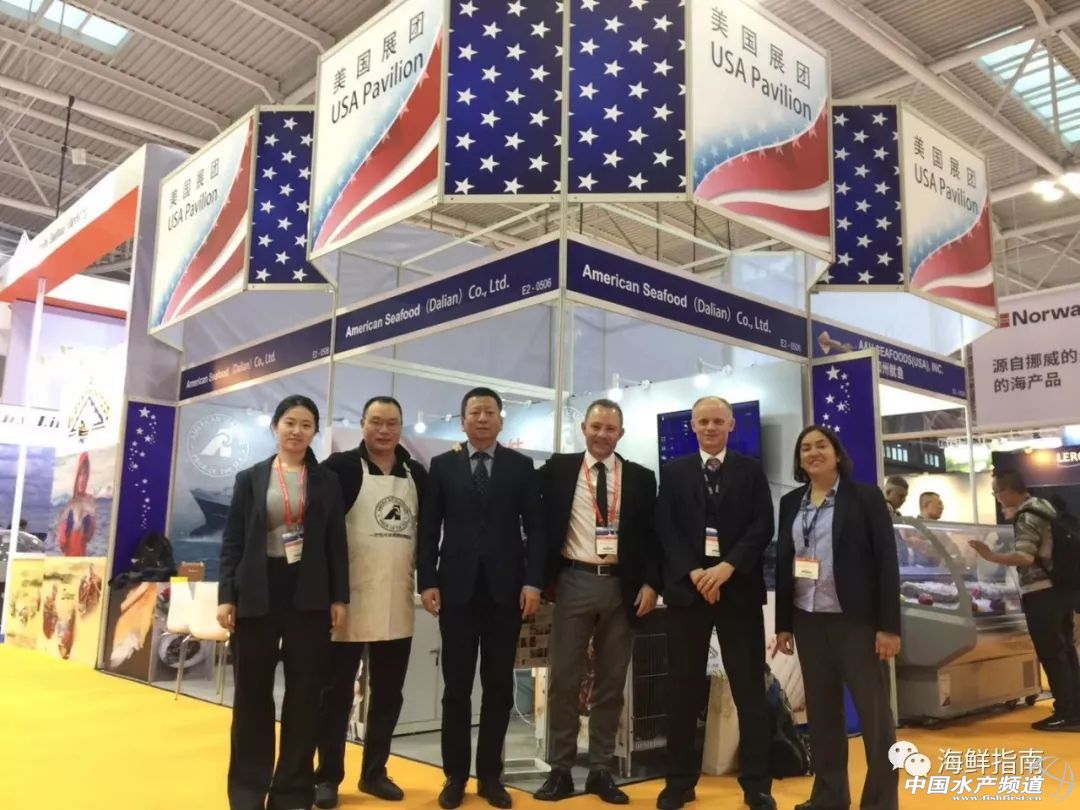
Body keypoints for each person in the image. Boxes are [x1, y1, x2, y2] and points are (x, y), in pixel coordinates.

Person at [217, 395, 349, 810]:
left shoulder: (327, 481)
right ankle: (247, 790)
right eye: (290, 422)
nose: (297, 431)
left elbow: (336, 543)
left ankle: (292, 791)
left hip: (309, 593)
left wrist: (340, 597)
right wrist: (226, 596)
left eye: (306, 424)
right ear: (275, 426)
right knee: (252, 695)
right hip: (257, 590)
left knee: (305, 694)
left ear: (315, 432)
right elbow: (233, 541)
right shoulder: (251, 478)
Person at [418, 387, 546, 809]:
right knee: (456, 688)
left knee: (498, 687)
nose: (483, 418)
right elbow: (428, 528)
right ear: (463, 421)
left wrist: (533, 582)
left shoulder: (520, 466)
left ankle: (490, 776)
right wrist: (426, 580)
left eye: (490, 412)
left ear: (501, 420)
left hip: (505, 593)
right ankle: (454, 776)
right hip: (455, 592)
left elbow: (537, 529)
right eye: (475, 412)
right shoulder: (443, 466)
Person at [533, 399, 660, 805]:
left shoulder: (641, 478)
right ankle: (560, 769)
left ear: (621, 433)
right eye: (596, 427)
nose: (602, 434)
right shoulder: (558, 470)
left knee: (611, 682)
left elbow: (653, 536)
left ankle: (601, 769)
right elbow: (526, 509)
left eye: (610, 428)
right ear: (583, 429)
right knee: (564, 680)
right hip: (573, 580)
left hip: (623, 587)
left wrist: (652, 583)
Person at [654, 396, 776, 810]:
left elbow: (762, 526)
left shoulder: (751, 471)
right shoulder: (673, 472)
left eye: (718, 421)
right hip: (688, 594)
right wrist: (694, 572)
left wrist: (726, 568)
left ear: (731, 426)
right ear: (692, 426)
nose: (710, 427)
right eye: (703, 421)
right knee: (682, 690)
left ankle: (757, 786)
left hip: (737, 591)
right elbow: (665, 528)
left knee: (749, 690)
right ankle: (678, 784)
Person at [773, 425, 901, 810]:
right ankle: (829, 796)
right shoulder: (791, 502)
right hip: (809, 620)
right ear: (799, 459)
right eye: (805, 448)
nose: (813, 453)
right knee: (823, 716)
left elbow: (886, 562)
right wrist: (783, 624)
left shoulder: (865, 497)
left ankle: (880, 802)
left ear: (837, 453)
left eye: (821, 446)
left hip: (856, 623)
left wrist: (889, 627)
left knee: (875, 719)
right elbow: (784, 563)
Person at [315, 396, 428, 808]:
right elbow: (322, 532)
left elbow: (428, 536)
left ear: (401, 427)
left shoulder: (416, 474)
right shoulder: (339, 468)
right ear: (362, 423)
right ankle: (327, 776)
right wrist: (329, 592)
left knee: (388, 694)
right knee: (336, 694)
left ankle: (375, 772)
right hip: (347, 601)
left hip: (396, 598)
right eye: (376, 421)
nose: (384, 430)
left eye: (392, 423)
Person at [970, 470, 1080, 731]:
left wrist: (990, 555)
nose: (996, 497)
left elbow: (1024, 556)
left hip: (1041, 592)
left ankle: (1066, 712)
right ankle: (1074, 707)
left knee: (1051, 653)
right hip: (1061, 589)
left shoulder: (1027, 515)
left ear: (1007, 490)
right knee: (1065, 650)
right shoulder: (1044, 507)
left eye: (996, 492)